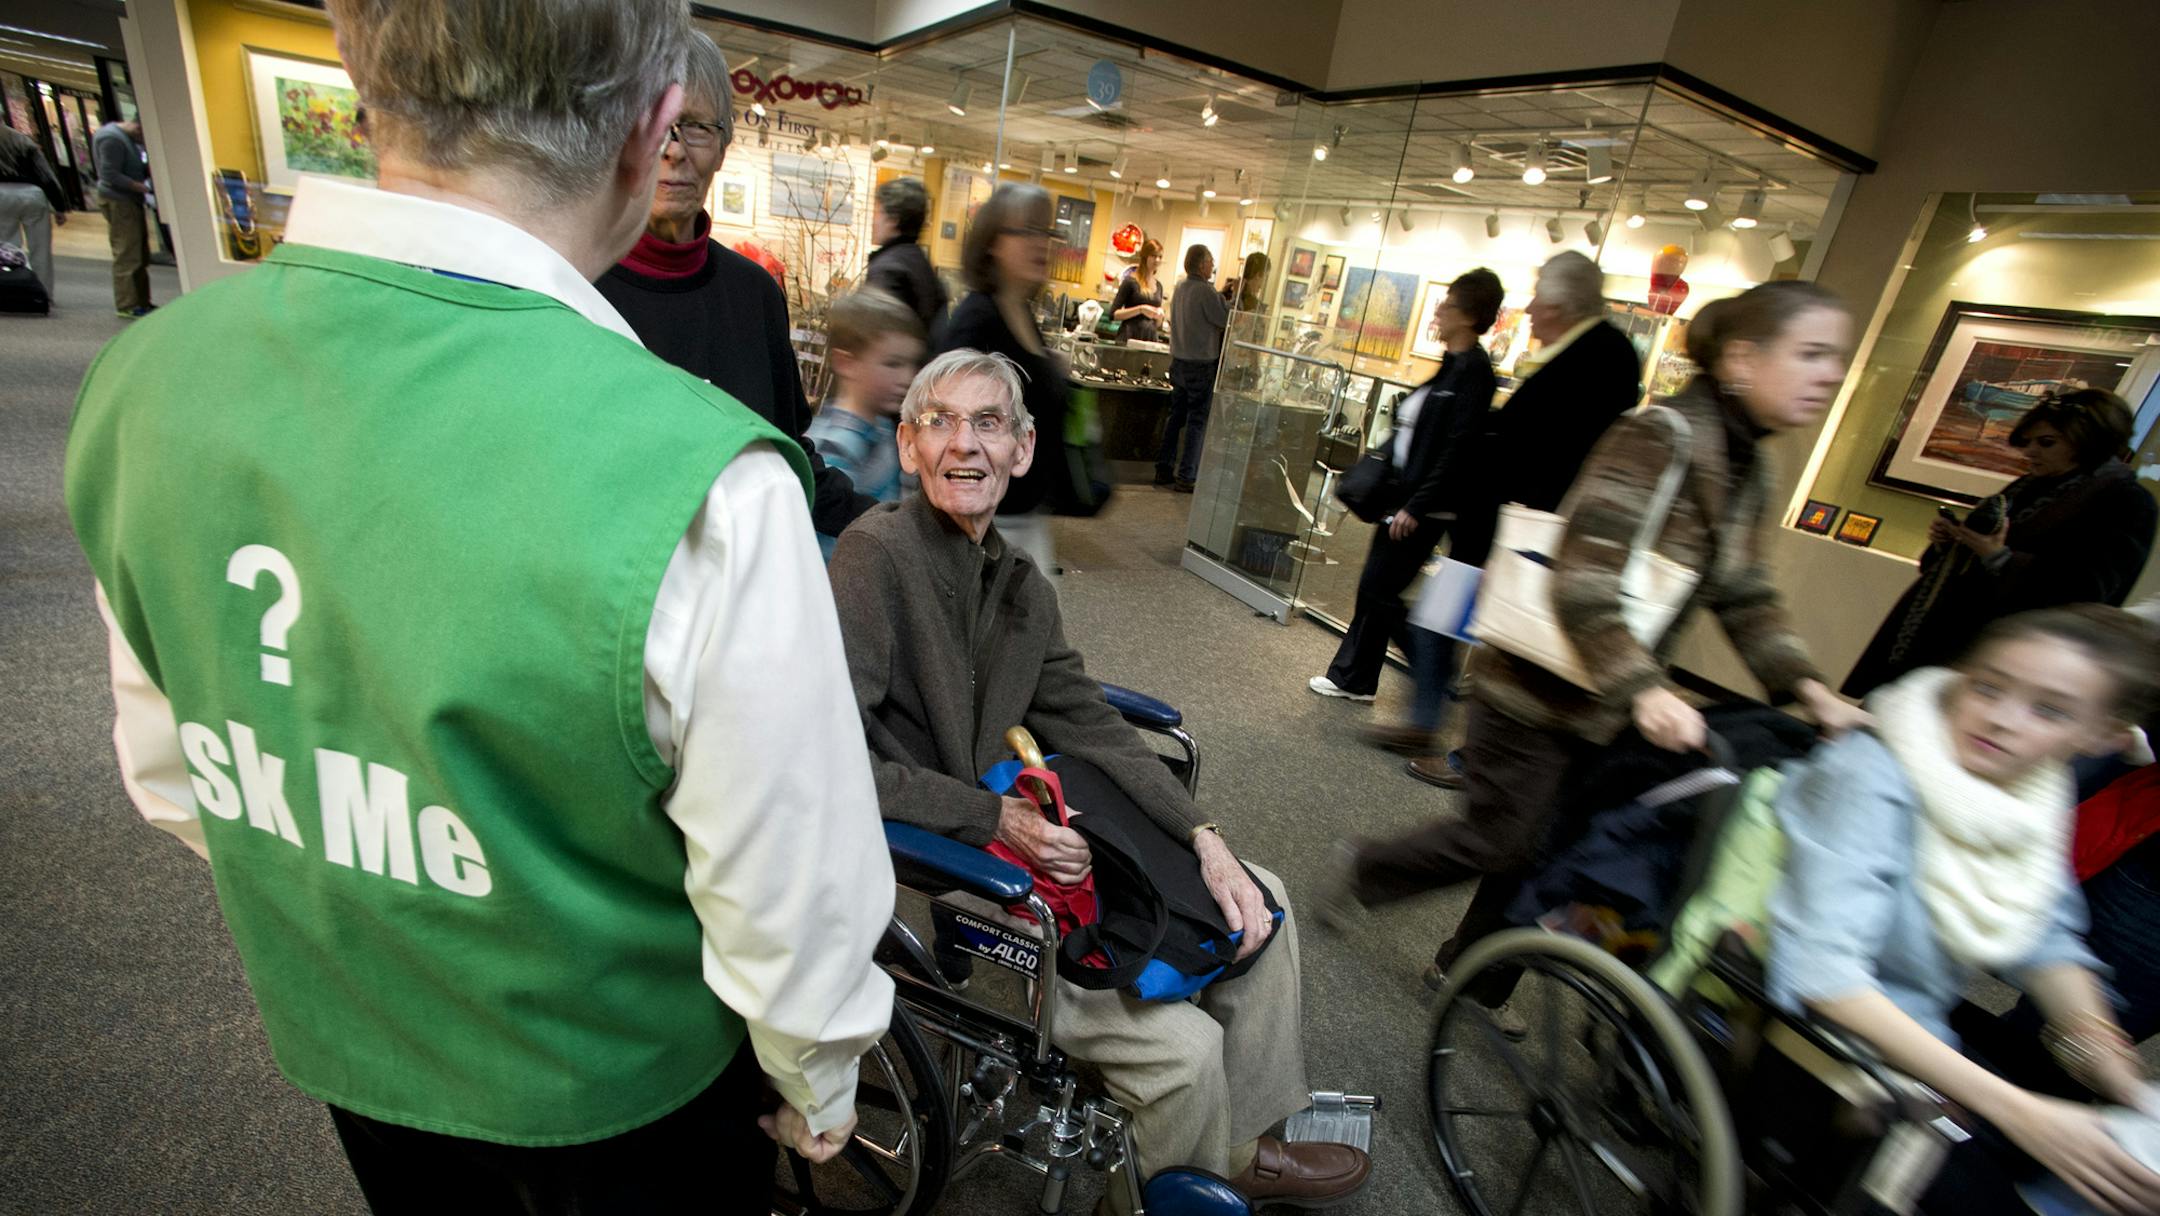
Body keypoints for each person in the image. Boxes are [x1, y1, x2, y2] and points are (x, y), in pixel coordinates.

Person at [62, 0, 897, 1206]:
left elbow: (174, 770)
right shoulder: (704, 478)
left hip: (352, 1040)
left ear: (364, 97)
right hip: (623, 1096)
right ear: (652, 129)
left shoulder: (143, 379)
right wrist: (815, 1079)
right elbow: (792, 899)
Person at [828, 347, 1371, 1208]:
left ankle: (1238, 1147)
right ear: (907, 446)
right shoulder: (875, 559)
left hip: (1045, 843)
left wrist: (1206, 838)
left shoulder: (1018, 585)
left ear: (1024, 448)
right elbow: (828, 757)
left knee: (1260, 896)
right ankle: (1181, 1180)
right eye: (941, 422)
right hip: (953, 868)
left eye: (989, 423)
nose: (964, 446)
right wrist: (989, 820)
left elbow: (1092, 723)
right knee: (1182, 1054)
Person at [1320, 281, 1873, 1020]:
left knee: (1547, 844)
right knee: (1501, 837)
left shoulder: (1752, 466)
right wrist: (1644, 687)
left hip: (1604, 702)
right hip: (1536, 689)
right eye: (1811, 354)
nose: (1830, 374)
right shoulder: (1661, 436)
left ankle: (1474, 977)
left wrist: (1807, 687)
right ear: (1741, 359)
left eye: (1835, 359)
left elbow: (1744, 592)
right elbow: (1583, 576)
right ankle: (1367, 867)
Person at [1770, 607, 2160, 1216]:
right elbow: (1823, 978)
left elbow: (2047, 937)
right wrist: (2019, 1111)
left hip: (1913, 1036)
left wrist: (2115, 1072)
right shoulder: (1873, 772)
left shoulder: (2028, 795)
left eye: (2048, 710)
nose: (2001, 720)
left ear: (2101, 737)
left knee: (2110, 1165)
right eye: (1988, 686)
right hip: (1806, 1043)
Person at [1318, 253, 1644, 788]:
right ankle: (1426, 725)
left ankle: (1473, 756)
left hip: (1527, 537)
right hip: (1493, 528)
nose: (1531, 308)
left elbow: (1559, 454)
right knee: (1436, 623)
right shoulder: (1571, 353)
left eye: (1539, 295)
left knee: (1496, 649)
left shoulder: (1601, 355)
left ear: (1562, 302)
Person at [596, 32, 873, 541]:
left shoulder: (754, 295)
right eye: (655, 124)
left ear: (723, 146)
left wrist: (892, 526)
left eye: (697, 126)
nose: (674, 150)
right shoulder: (578, 284)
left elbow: (784, 460)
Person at [1845, 388, 2158, 698]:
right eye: (2029, 442)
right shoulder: (2032, 485)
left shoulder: (2126, 501)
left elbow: (2089, 590)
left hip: (2012, 649)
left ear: (2087, 442)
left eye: (2046, 443)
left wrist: (1998, 557)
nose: (2030, 452)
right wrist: (1951, 542)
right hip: (1948, 634)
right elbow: (1972, 556)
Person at [1307, 269, 1506, 725]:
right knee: (1374, 587)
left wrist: (1416, 507)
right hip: (1405, 497)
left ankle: (1426, 664)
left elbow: (1456, 450)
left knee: (1379, 589)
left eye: (1449, 304)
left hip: (1424, 505)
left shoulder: (1475, 373)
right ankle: (1355, 677)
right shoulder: (1452, 365)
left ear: (1470, 316)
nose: (1438, 310)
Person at [935, 183, 1071, 576]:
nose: (1041, 243)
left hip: (1023, 519)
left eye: (1046, 233)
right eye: (1027, 231)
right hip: (986, 527)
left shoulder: (1020, 313)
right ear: (993, 241)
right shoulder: (977, 324)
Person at [807, 287, 925, 507]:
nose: (908, 377)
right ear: (846, 363)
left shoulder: (881, 426)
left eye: (912, 364)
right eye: (893, 364)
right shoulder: (834, 448)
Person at [1158, 242, 1233, 490]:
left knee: (1175, 416)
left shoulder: (1179, 287)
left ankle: (1164, 467)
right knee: (1197, 421)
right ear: (1202, 264)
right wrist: (1226, 299)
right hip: (1200, 365)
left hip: (1178, 362)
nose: (1213, 265)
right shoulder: (1206, 292)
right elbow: (1223, 319)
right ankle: (1187, 475)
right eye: (1211, 260)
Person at [863, 176, 947, 339]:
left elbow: (877, 337)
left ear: (893, 220)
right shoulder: (922, 265)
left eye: (878, 212)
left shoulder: (888, 269)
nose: (874, 220)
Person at [91, 116, 152, 318]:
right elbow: (110, 174)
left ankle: (141, 301)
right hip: (120, 201)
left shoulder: (123, 138)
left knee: (139, 252)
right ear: (138, 128)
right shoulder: (112, 139)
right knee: (127, 252)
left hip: (129, 200)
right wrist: (139, 186)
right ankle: (128, 304)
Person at [0, 124, 67, 297]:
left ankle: (11, 289)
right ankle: (43, 293)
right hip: (33, 194)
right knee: (41, 247)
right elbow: (45, 174)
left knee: (7, 247)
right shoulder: (22, 140)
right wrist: (59, 206)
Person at [1111, 238, 1166, 344]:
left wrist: (1159, 317)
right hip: (1130, 336)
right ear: (1145, 257)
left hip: (1149, 339)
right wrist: (1140, 309)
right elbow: (1114, 314)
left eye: (1160, 257)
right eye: (1154, 256)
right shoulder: (1130, 281)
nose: (1157, 260)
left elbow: (1157, 324)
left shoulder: (1159, 286)